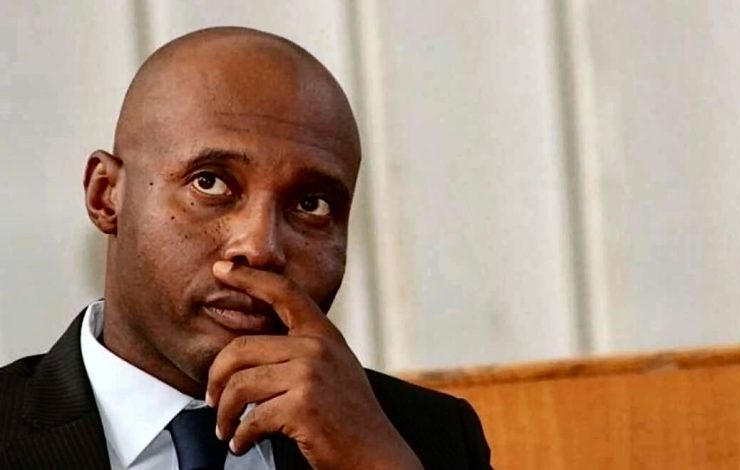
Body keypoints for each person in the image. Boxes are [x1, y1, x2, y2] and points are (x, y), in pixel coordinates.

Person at [0, 27, 491, 470]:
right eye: (210, 183)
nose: (260, 247)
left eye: (311, 204)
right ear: (106, 196)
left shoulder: (426, 440)